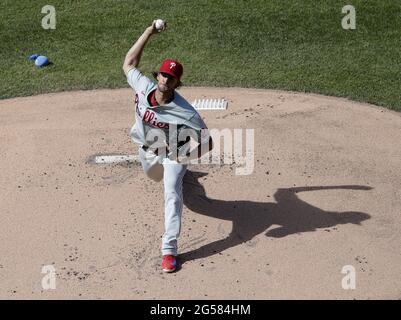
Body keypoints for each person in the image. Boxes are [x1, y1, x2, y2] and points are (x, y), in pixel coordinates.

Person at [123, 20, 213, 273]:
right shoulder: (143, 86)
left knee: (172, 195)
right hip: (147, 151)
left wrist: (187, 157)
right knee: (155, 177)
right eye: (164, 74)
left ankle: (169, 249)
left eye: (172, 77)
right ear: (158, 75)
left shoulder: (187, 113)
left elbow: (208, 141)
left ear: (176, 83)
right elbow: (129, 63)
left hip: (176, 152)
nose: (166, 79)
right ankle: (183, 173)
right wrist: (148, 32)